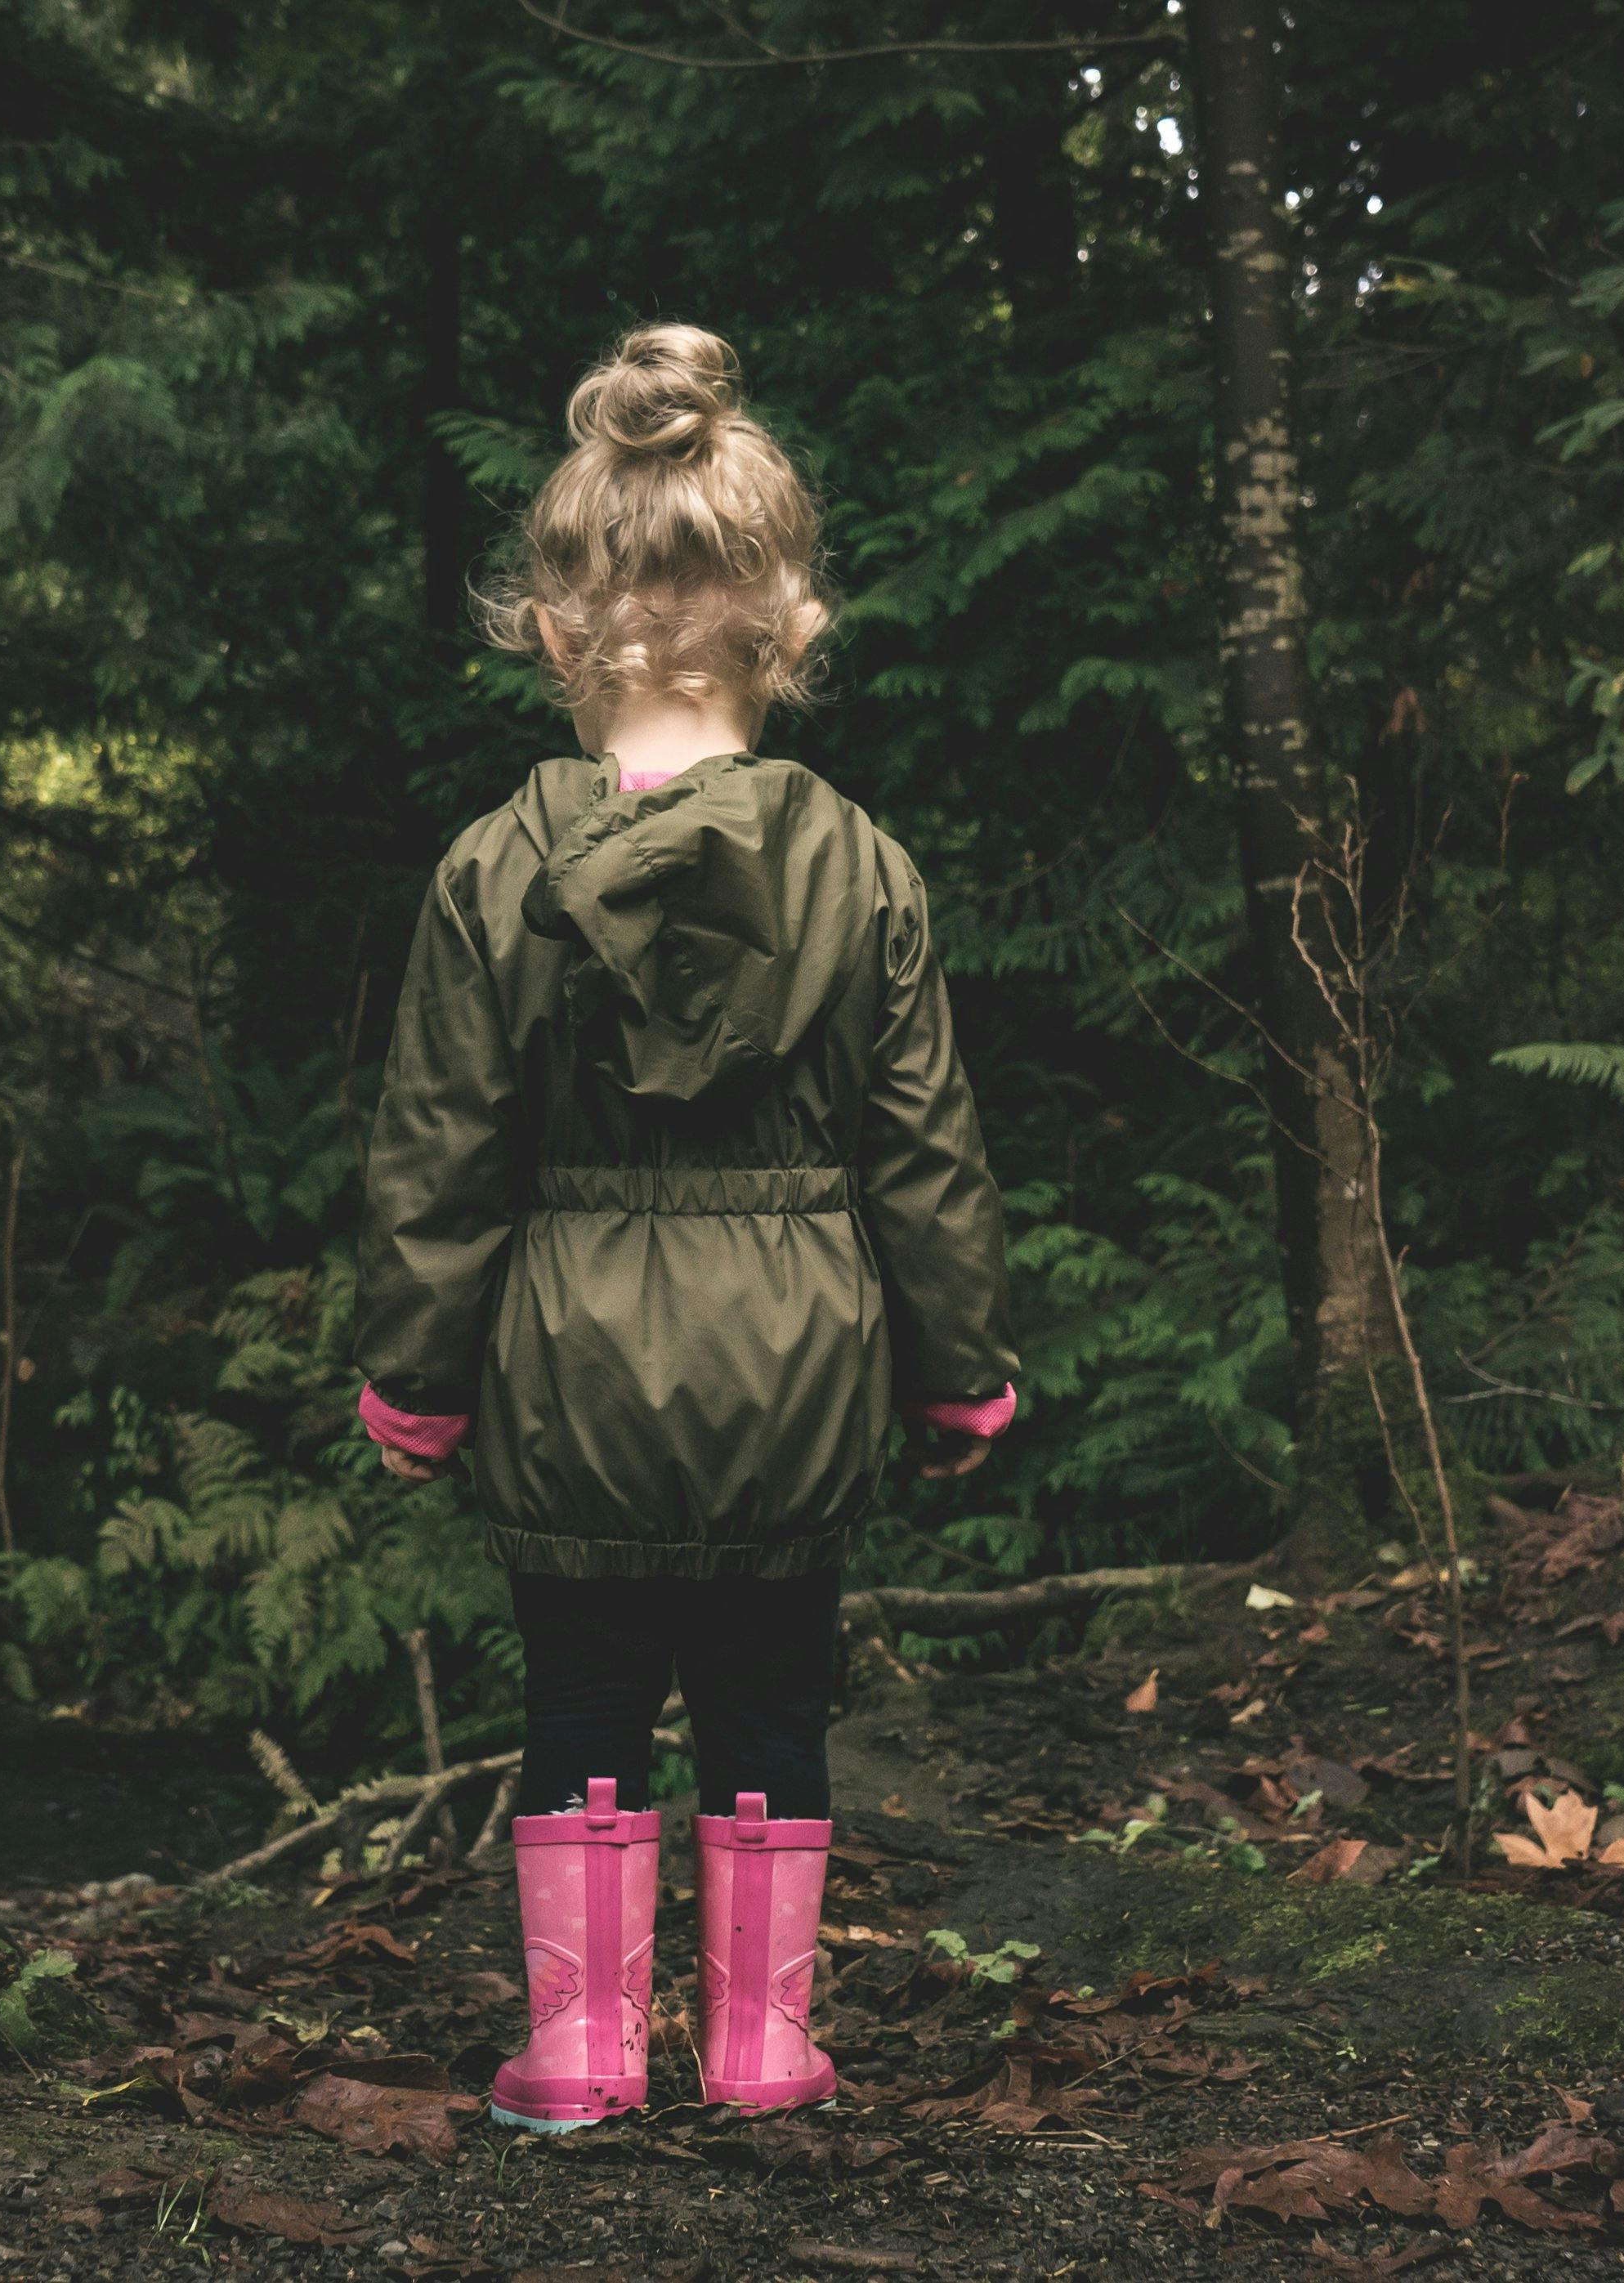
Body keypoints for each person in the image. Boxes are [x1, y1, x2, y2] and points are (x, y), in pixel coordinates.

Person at [353, 322, 1017, 2132]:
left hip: (564, 1361)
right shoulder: (859, 864)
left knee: (576, 1700)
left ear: (555, 628)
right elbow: (923, 1152)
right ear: (787, 622)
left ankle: (578, 2053)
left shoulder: (493, 867)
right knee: (768, 1702)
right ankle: (757, 2050)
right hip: (797, 1368)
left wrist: (413, 1382)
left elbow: (441, 1154)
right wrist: (960, 1374)